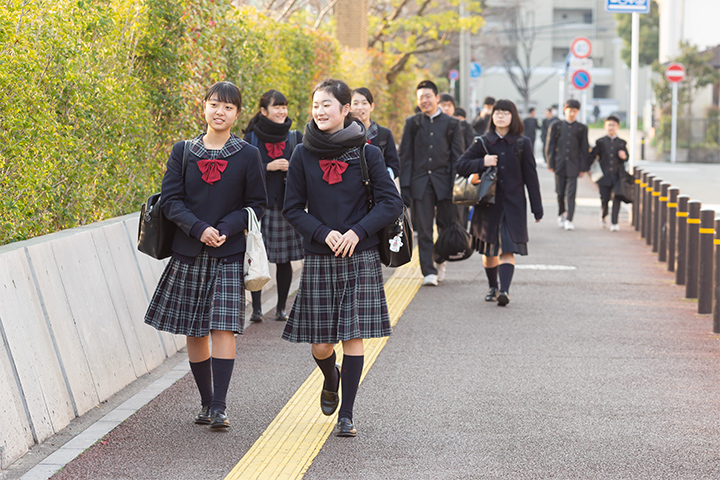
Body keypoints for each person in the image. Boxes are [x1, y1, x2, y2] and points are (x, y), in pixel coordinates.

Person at [283, 79, 403, 437]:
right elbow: (291, 207)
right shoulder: (302, 153)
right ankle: (330, 376)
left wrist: (357, 232)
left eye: (327, 105)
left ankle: (347, 414)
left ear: (345, 109)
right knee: (321, 344)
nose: (319, 111)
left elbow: (391, 202)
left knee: (354, 336)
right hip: (320, 255)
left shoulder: (368, 154)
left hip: (360, 255)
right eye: (316, 105)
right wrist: (322, 232)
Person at [144, 82, 267, 430]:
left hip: (228, 252)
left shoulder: (247, 154)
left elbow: (257, 204)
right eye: (215, 104)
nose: (220, 112)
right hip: (188, 251)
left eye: (228, 107)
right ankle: (205, 401)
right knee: (195, 330)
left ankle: (219, 407)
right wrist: (199, 228)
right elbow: (170, 200)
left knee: (223, 326)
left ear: (237, 114)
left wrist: (225, 227)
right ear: (204, 107)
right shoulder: (183, 151)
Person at [456, 99, 543, 306]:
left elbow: (531, 177)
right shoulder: (483, 142)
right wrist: (482, 162)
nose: (501, 116)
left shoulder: (522, 143)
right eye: (497, 113)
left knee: (508, 248)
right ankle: (493, 286)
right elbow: (460, 165)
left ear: (513, 117)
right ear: (492, 117)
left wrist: (537, 209)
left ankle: (504, 290)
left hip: (513, 206)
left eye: (505, 113)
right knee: (488, 251)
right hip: (487, 206)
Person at [242, 90, 304, 323]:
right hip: (259, 207)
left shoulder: (295, 137)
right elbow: (243, 171)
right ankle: (256, 309)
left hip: (285, 207)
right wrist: (268, 167)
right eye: (277, 106)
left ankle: (281, 308)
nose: (282, 111)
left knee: (284, 259)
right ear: (263, 111)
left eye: (284, 106)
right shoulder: (251, 138)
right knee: (256, 257)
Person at [399, 80, 464, 286]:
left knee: (445, 226)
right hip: (420, 183)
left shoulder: (453, 124)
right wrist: (405, 187)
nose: (424, 101)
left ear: (437, 98)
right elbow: (406, 156)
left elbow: (457, 157)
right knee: (424, 229)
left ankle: (440, 259)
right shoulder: (412, 123)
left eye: (428, 96)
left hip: (445, 183)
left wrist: (456, 185)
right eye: (420, 98)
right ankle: (428, 271)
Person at [546, 99, 590, 231]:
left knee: (571, 193)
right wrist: (550, 163)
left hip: (574, 165)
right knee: (560, 192)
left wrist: (583, 168)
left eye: (574, 111)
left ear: (578, 112)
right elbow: (550, 145)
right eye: (570, 110)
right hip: (559, 164)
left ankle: (570, 219)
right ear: (565, 110)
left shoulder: (582, 128)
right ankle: (561, 213)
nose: (572, 113)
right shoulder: (556, 125)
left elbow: (584, 148)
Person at [350, 87, 400, 179]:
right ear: (349, 107)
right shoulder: (345, 134)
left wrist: (383, 179)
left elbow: (394, 167)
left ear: (372, 106)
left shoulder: (384, 134)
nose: (360, 107)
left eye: (364, 103)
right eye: (355, 103)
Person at [590, 115, 628, 231]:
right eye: (609, 125)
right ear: (605, 126)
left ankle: (615, 222)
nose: (611, 127)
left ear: (617, 127)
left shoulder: (622, 142)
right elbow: (593, 156)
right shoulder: (600, 142)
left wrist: (624, 156)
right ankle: (604, 214)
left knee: (617, 198)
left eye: (613, 125)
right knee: (604, 198)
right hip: (604, 176)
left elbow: (627, 157)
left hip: (617, 176)